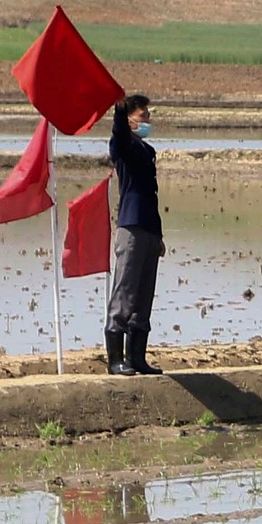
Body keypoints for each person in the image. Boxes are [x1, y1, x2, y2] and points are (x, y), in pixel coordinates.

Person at [106, 93, 163, 375]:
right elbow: (117, 135)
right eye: (143, 115)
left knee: (143, 294)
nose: (148, 119)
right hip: (131, 226)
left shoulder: (147, 150)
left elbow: (151, 196)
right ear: (129, 120)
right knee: (125, 291)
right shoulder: (124, 146)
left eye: (148, 115)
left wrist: (159, 235)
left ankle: (136, 358)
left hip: (149, 227)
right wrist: (118, 110)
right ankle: (115, 359)